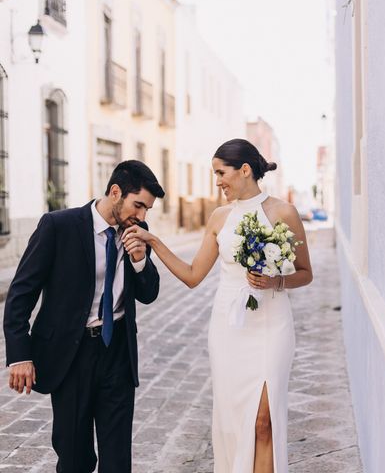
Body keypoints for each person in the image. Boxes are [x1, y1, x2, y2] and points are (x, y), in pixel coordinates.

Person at [122, 138, 313, 473]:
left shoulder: (284, 212)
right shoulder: (219, 218)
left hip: (272, 324)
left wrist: (275, 281)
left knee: (264, 421)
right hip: (228, 327)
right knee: (233, 421)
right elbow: (193, 275)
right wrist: (154, 241)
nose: (217, 181)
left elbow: (305, 273)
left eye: (221, 172)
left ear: (245, 170)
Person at [3, 160, 165, 472]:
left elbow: (149, 293)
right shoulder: (58, 226)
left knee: (117, 459)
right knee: (75, 457)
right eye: (139, 205)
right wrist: (20, 355)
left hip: (117, 352)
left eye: (147, 210)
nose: (142, 217)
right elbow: (22, 293)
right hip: (72, 355)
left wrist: (140, 259)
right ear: (115, 192)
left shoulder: (137, 231)